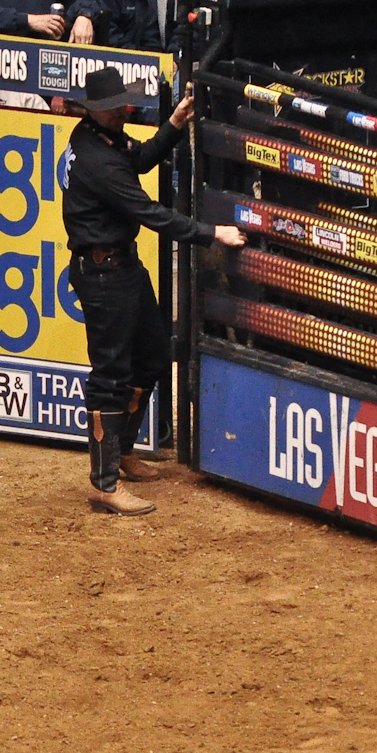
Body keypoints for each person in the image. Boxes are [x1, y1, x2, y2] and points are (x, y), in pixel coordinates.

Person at [64, 68, 245, 515]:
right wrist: (211, 233)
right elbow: (150, 212)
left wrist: (175, 123)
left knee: (151, 356)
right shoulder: (98, 160)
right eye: (119, 105)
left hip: (118, 265)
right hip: (105, 271)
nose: (127, 108)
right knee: (110, 375)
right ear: (99, 110)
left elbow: (141, 158)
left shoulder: (93, 136)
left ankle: (122, 453)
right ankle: (103, 483)